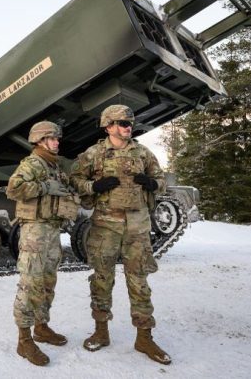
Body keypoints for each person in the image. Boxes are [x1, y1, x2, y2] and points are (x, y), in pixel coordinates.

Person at [70, 105, 172, 364]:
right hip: (105, 227)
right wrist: (94, 185)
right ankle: (101, 332)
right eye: (123, 123)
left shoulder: (143, 152)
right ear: (108, 126)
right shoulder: (94, 154)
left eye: (130, 123)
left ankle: (144, 337)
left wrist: (152, 183)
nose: (128, 127)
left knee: (139, 281)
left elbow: (161, 179)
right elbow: (74, 180)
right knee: (102, 279)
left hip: (137, 226)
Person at [7, 120, 78, 366]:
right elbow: (13, 189)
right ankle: (24, 340)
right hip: (35, 231)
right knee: (30, 282)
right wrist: (45, 186)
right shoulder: (33, 164)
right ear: (39, 141)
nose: (57, 142)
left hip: (51, 230)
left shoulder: (54, 166)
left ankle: (42, 326)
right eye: (52, 138)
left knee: (47, 281)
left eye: (57, 138)